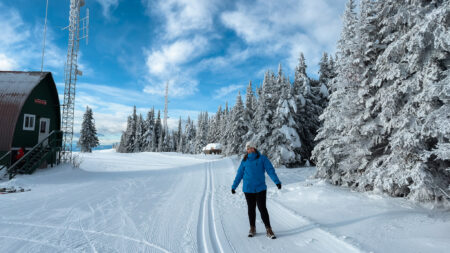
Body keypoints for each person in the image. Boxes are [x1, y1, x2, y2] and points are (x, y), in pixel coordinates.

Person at [231, 141, 282, 239]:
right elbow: (239, 175)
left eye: (252, 148)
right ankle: (252, 228)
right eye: (248, 148)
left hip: (260, 188)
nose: (250, 150)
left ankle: (268, 229)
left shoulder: (262, 159)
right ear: (247, 150)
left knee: (262, 208)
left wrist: (277, 182)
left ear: (255, 148)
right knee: (251, 209)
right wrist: (234, 186)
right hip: (248, 189)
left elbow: (270, 170)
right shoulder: (244, 161)